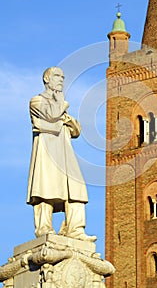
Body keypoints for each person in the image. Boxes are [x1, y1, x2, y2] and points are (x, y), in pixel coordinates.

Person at [27, 66, 96, 242]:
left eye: (63, 77)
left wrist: (65, 119)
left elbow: (76, 130)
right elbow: (52, 115)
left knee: (76, 188)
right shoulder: (37, 101)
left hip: (65, 153)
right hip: (47, 153)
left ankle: (75, 229)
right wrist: (62, 104)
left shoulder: (60, 106)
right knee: (45, 189)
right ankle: (44, 228)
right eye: (57, 76)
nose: (61, 80)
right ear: (46, 79)